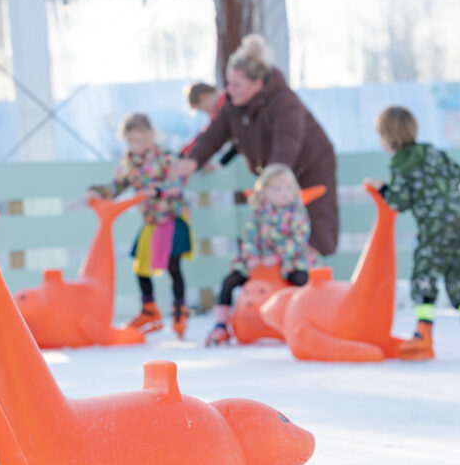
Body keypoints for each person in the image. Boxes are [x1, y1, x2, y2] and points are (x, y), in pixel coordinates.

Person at [170, 34, 339, 257]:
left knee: (309, 223)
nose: (229, 90)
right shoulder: (233, 105)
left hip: (309, 167)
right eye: (228, 83)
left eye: (236, 85)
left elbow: (287, 142)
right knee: (271, 224)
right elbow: (213, 135)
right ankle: (278, 271)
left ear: (257, 84)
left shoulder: (283, 101)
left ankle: (311, 271)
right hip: (275, 173)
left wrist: (273, 179)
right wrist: (193, 160)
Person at [365, 106, 460, 360]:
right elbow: (459, 174)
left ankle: (423, 335)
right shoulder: (434, 152)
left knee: (423, 279)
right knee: (456, 279)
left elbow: (398, 203)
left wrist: (382, 188)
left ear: (388, 138)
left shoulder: (401, 163)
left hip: (435, 232)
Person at [85, 112, 193, 339]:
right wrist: (97, 192)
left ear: (151, 136)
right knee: (140, 266)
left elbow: (178, 185)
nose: (136, 145)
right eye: (131, 140)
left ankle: (180, 310)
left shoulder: (164, 157)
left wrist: (157, 190)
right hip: (151, 221)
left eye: (140, 139)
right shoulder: (129, 164)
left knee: (173, 266)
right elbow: (117, 186)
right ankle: (149, 309)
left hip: (171, 218)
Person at [206, 164, 321, 345]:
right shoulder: (259, 212)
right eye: (277, 189)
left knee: (303, 281)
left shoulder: (297, 211)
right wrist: (252, 256)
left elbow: (298, 239)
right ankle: (221, 325)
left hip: (291, 260)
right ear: (265, 191)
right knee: (229, 281)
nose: (284, 193)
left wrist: (278, 257)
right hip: (259, 261)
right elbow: (249, 236)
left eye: (288, 187)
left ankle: (307, 320)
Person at [179, 82, 238, 168]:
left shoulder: (227, 105)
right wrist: (185, 151)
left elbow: (210, 135)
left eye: (201, 109)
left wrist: (184, 154)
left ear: (203, 97)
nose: (205, 112)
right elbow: (206, 135)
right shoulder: (221, 109)